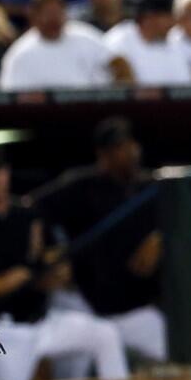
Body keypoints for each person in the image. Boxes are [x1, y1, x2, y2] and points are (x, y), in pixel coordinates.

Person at [31, 118, 169, 364]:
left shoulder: (151, 188)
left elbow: (186, 217)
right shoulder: (81, 187)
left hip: (134, 310)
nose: (129, 152)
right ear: (102, 154)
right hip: (84, 309)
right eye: (119, 148)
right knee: (77, 375)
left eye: (130, 145)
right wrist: (48, 252)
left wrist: (161, 237)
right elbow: (31, 210)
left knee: (175, 350)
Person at [0, 149, 130, 380]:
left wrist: (54, 274)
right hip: (3, 333)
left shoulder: (26, 215)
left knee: (105, 335)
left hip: (41, 322)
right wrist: (11, 280)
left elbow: (49, 264)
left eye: (1, 170)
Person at [0, 0, 131, 91]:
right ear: (34, 17)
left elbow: (119, 63)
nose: (54, 19)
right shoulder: (20, 54)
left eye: (57, 13)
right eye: (48, 14)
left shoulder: (84, 36)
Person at [104, 0, 191, 86]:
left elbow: (185, 85)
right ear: (149, 18)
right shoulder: (117, 41)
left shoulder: (175, 41)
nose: (172, 23)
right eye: (168, 17)